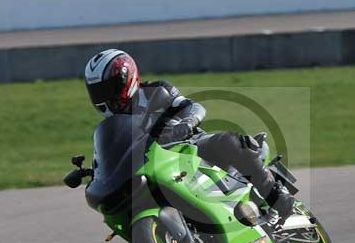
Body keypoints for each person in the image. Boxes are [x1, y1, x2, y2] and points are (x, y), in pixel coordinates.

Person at [84, 48, 295, 222]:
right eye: (98, 91)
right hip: (156, 166)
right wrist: (95, 173)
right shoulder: (111, 127)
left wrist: (188, 122)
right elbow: (108, 158)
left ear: (126, 78)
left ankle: (274, 194)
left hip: (189, 145)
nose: (106, 96)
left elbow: (194, 106)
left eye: (109, 88)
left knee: (227, 141)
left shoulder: (156, 90)